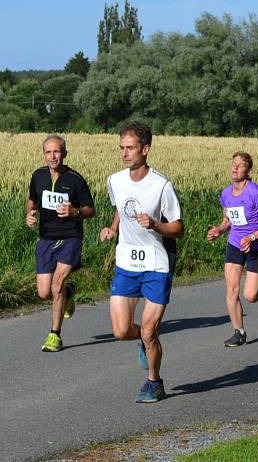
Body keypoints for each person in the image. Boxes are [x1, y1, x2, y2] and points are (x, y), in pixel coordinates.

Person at [99, 122, 184, 403]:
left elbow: (178, 227)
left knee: (149, 330)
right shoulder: (115, 180)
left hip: (157, 264)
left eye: (130, 148)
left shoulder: (161, 185)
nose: (124, 153)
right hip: (126, 262)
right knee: (121, 331)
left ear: (145, 149)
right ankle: (145, 342)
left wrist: (156, 225)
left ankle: (154, 382)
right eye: (121, 147)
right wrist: (112, 229)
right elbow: (120, 208)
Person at [26, 135, 96, 352]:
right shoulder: (38, 176)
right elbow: (32, 200)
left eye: (57, 151)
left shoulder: (75, 180)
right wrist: (29, 214)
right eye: (48, 152)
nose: (52, 156)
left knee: (57, 286)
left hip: (70, 237)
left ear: (64, 154)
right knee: (44, 292)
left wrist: (75, 211)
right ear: (43, 155)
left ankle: (54, 335)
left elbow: (90, 210)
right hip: (46, 238)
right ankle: (69, 292)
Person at [206, 152, 258, 347]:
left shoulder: (255, 193)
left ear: (248, 170)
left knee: (251, 296)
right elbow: (228, 220)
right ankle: (238, 332)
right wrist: (219, 230)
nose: (235, 168)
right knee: (231, 289)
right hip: (235, 243)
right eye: (233, 164)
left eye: (240, 165)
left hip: (257, 245)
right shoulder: (226, 193)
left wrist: (253, 236)